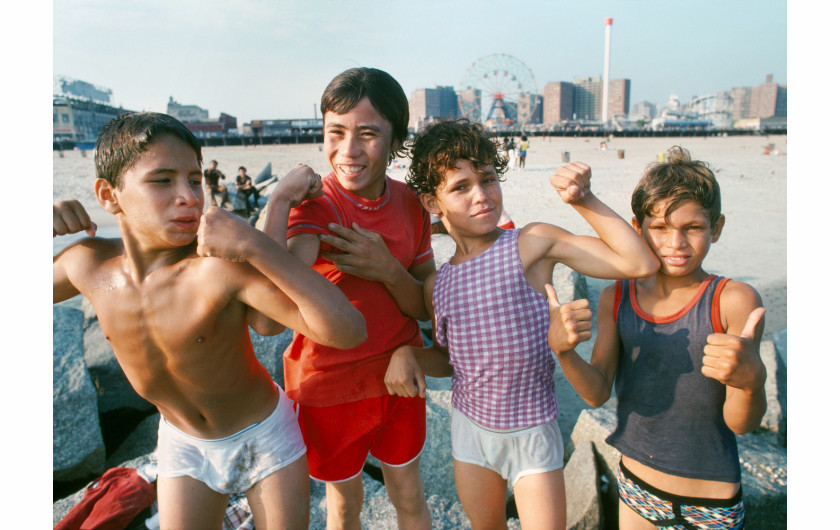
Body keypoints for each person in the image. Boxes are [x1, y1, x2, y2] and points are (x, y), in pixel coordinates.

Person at [53, 112, 367, 529]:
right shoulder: (87, 264)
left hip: (263, 437)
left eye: (194, 179)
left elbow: (348, 331)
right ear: (109, 195)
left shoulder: (217, 270)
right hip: (184, 445)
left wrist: (254, 244)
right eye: (162, 180)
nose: (188, 195)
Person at [384, 119, 659, 529]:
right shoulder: (436, 285)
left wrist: (583, 200)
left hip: (533, 430)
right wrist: (409, 355)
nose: (481, 196)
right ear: (431, 202)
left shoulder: (531, 245)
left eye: (488, 180)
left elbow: (639, 262)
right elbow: (450, 361)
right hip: (471, 432)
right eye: (460, 187)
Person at [546, 146, 767, 529]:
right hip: (637, 489)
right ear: (637, 227)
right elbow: (597, 392)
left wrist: (751, 382)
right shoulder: (618, 296)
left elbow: (740, 424)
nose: (675, 243)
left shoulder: (734, 301)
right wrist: (564, 352)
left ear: (717, 227)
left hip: (710, 501)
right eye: (660, 227)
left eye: (693, 228)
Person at [261, 67, 435, 529]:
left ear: (396, 139)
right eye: (335, 133)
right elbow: (278, 292)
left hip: (401, 377)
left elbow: (425, 304)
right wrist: (279, 202)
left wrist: (389, 271)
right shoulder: (317, 204)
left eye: (368, 134)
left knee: (411, 497)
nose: (349, 151)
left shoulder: (412, 205)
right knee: (344, 504)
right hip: (328, 387)